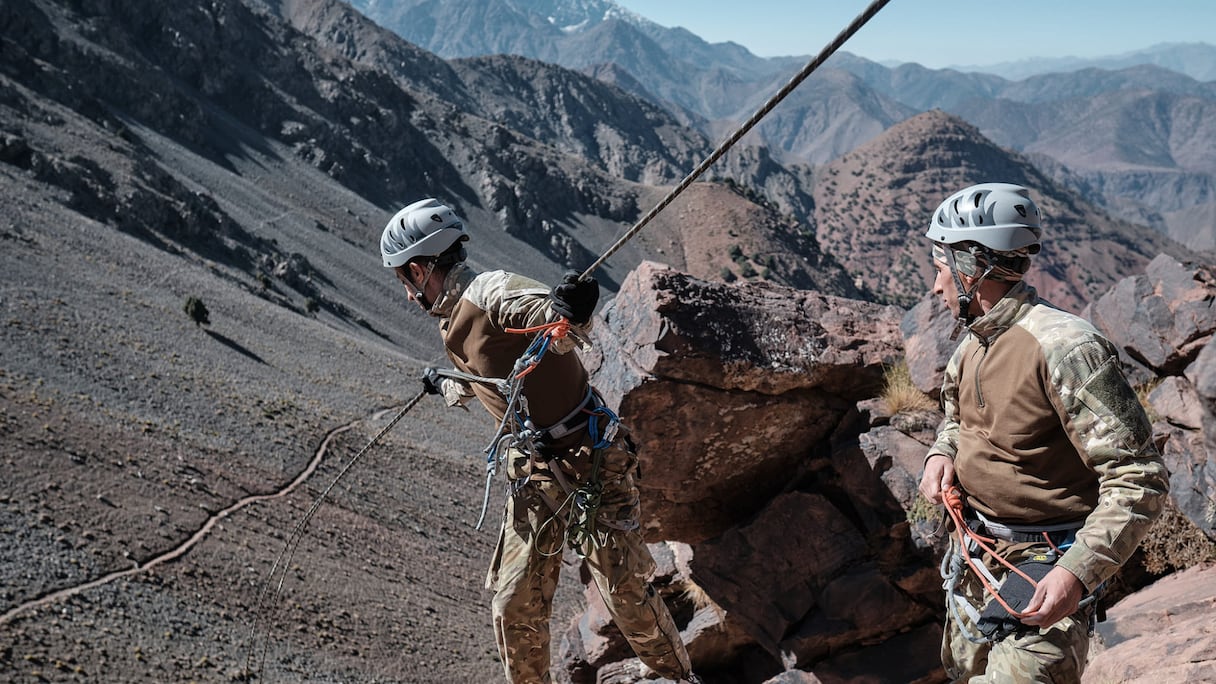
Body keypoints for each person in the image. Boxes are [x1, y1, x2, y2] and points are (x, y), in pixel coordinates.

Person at [380, 198, 700, 684]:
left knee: (626, 596)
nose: (407, 295)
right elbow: (492, 372)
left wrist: (572, 312)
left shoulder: (491, 292)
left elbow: (554, 324)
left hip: (590, 460)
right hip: (534, 474)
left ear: (421, 270)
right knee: (513, 604)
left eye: (405, 281)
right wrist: (446, 383)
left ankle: (680, 679)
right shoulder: (453, 320)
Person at [916, 183, 1169, 681]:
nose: (936, 287)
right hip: (977, 563)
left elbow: (1138, 477)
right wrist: (941, 454)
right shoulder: (975, 341)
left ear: (973, 271)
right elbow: (958, 420)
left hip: (1046, 567)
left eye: (940, 269)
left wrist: (1076, 573)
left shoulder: (1067, 349)